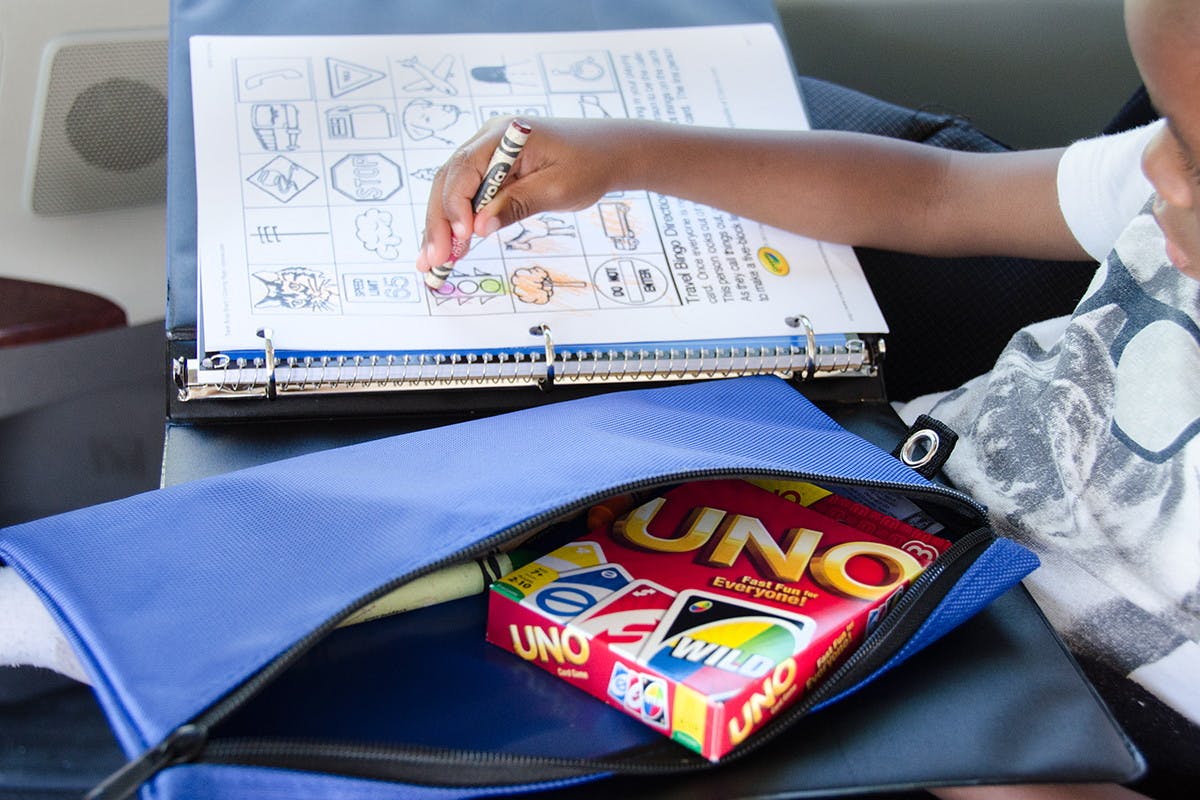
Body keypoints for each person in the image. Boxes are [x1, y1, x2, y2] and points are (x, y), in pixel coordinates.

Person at [417, 1, 1198, 797]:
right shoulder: (1161, 170)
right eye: (1168, 127)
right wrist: (623, 154)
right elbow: (938, 193)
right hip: (871, 505)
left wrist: (993, 760)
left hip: (1034, 720)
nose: (1161, 170)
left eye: (1197, 160)